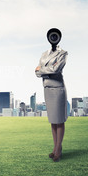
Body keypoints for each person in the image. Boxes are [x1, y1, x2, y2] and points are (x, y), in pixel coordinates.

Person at [35, 28, 68, 162]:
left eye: (56, 36)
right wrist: (46, 70)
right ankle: (55, 148)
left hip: (58, 89)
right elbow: (36, 72)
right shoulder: (44, 54)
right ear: (48, 37)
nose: (53, 38)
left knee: (59, 120)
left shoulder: (63, 53)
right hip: (47, 88)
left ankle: (58, 150)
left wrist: (42, 70)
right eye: (51, 36)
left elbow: (56, 69)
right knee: (53, 121)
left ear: (59, 37)